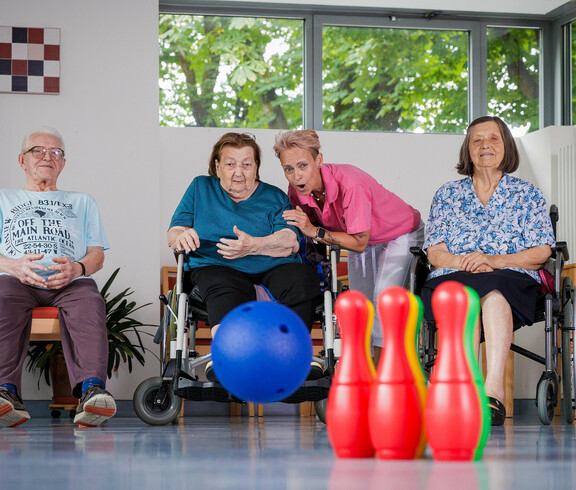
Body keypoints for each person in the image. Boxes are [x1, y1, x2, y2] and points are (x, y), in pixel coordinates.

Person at [420, 115, 555, 426]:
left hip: (510, 276)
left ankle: (491, 393)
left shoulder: (527, 194)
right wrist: (464, 262)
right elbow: (436, 252)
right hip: (455, 276)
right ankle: (467, 389)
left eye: (493, 139)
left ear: (506, 146)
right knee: (467, 298)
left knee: (494, 296)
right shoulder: (447, 194)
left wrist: (493, 261)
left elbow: (542, 251)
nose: (485, 146)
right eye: (476, 140)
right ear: (467, 150)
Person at [168, 132, 322, 381]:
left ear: (256, 168)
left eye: (246, 164)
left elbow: (290, 240)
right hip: (216, 264)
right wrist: (180, 236)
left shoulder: (274, 196)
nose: (238, 172)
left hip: (271, 267)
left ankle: (290, 355)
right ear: (217, 167)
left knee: (302, 277)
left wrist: (253, 246)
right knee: (224, 284)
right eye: (230, 164)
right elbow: (176, 229)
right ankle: (229, 356)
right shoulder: (200, 188)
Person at [273, 129, 424, 365]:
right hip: (359, 239)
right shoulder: (296, 191)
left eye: (303, 166)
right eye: (288, 169)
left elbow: (358, 242)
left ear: (319, 160)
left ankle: (383, 375)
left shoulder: (350, 183)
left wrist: (314, 231)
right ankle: (362, 373)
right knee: (361, 305)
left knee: (384, 301)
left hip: (399, 233)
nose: (296, 176)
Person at [0, 127, 115, 428]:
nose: (47, 157)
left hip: (70, 281)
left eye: (56, 152)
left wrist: (77, 268)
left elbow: (97, 254)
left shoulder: (83, 201)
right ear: (22, 160)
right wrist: (13, 266)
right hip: (16, 278)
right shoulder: (3, 198)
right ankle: (5, 393)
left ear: (63, 163)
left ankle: (92, 391)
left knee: (90, 301)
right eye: (37, 150)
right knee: (1, 299)